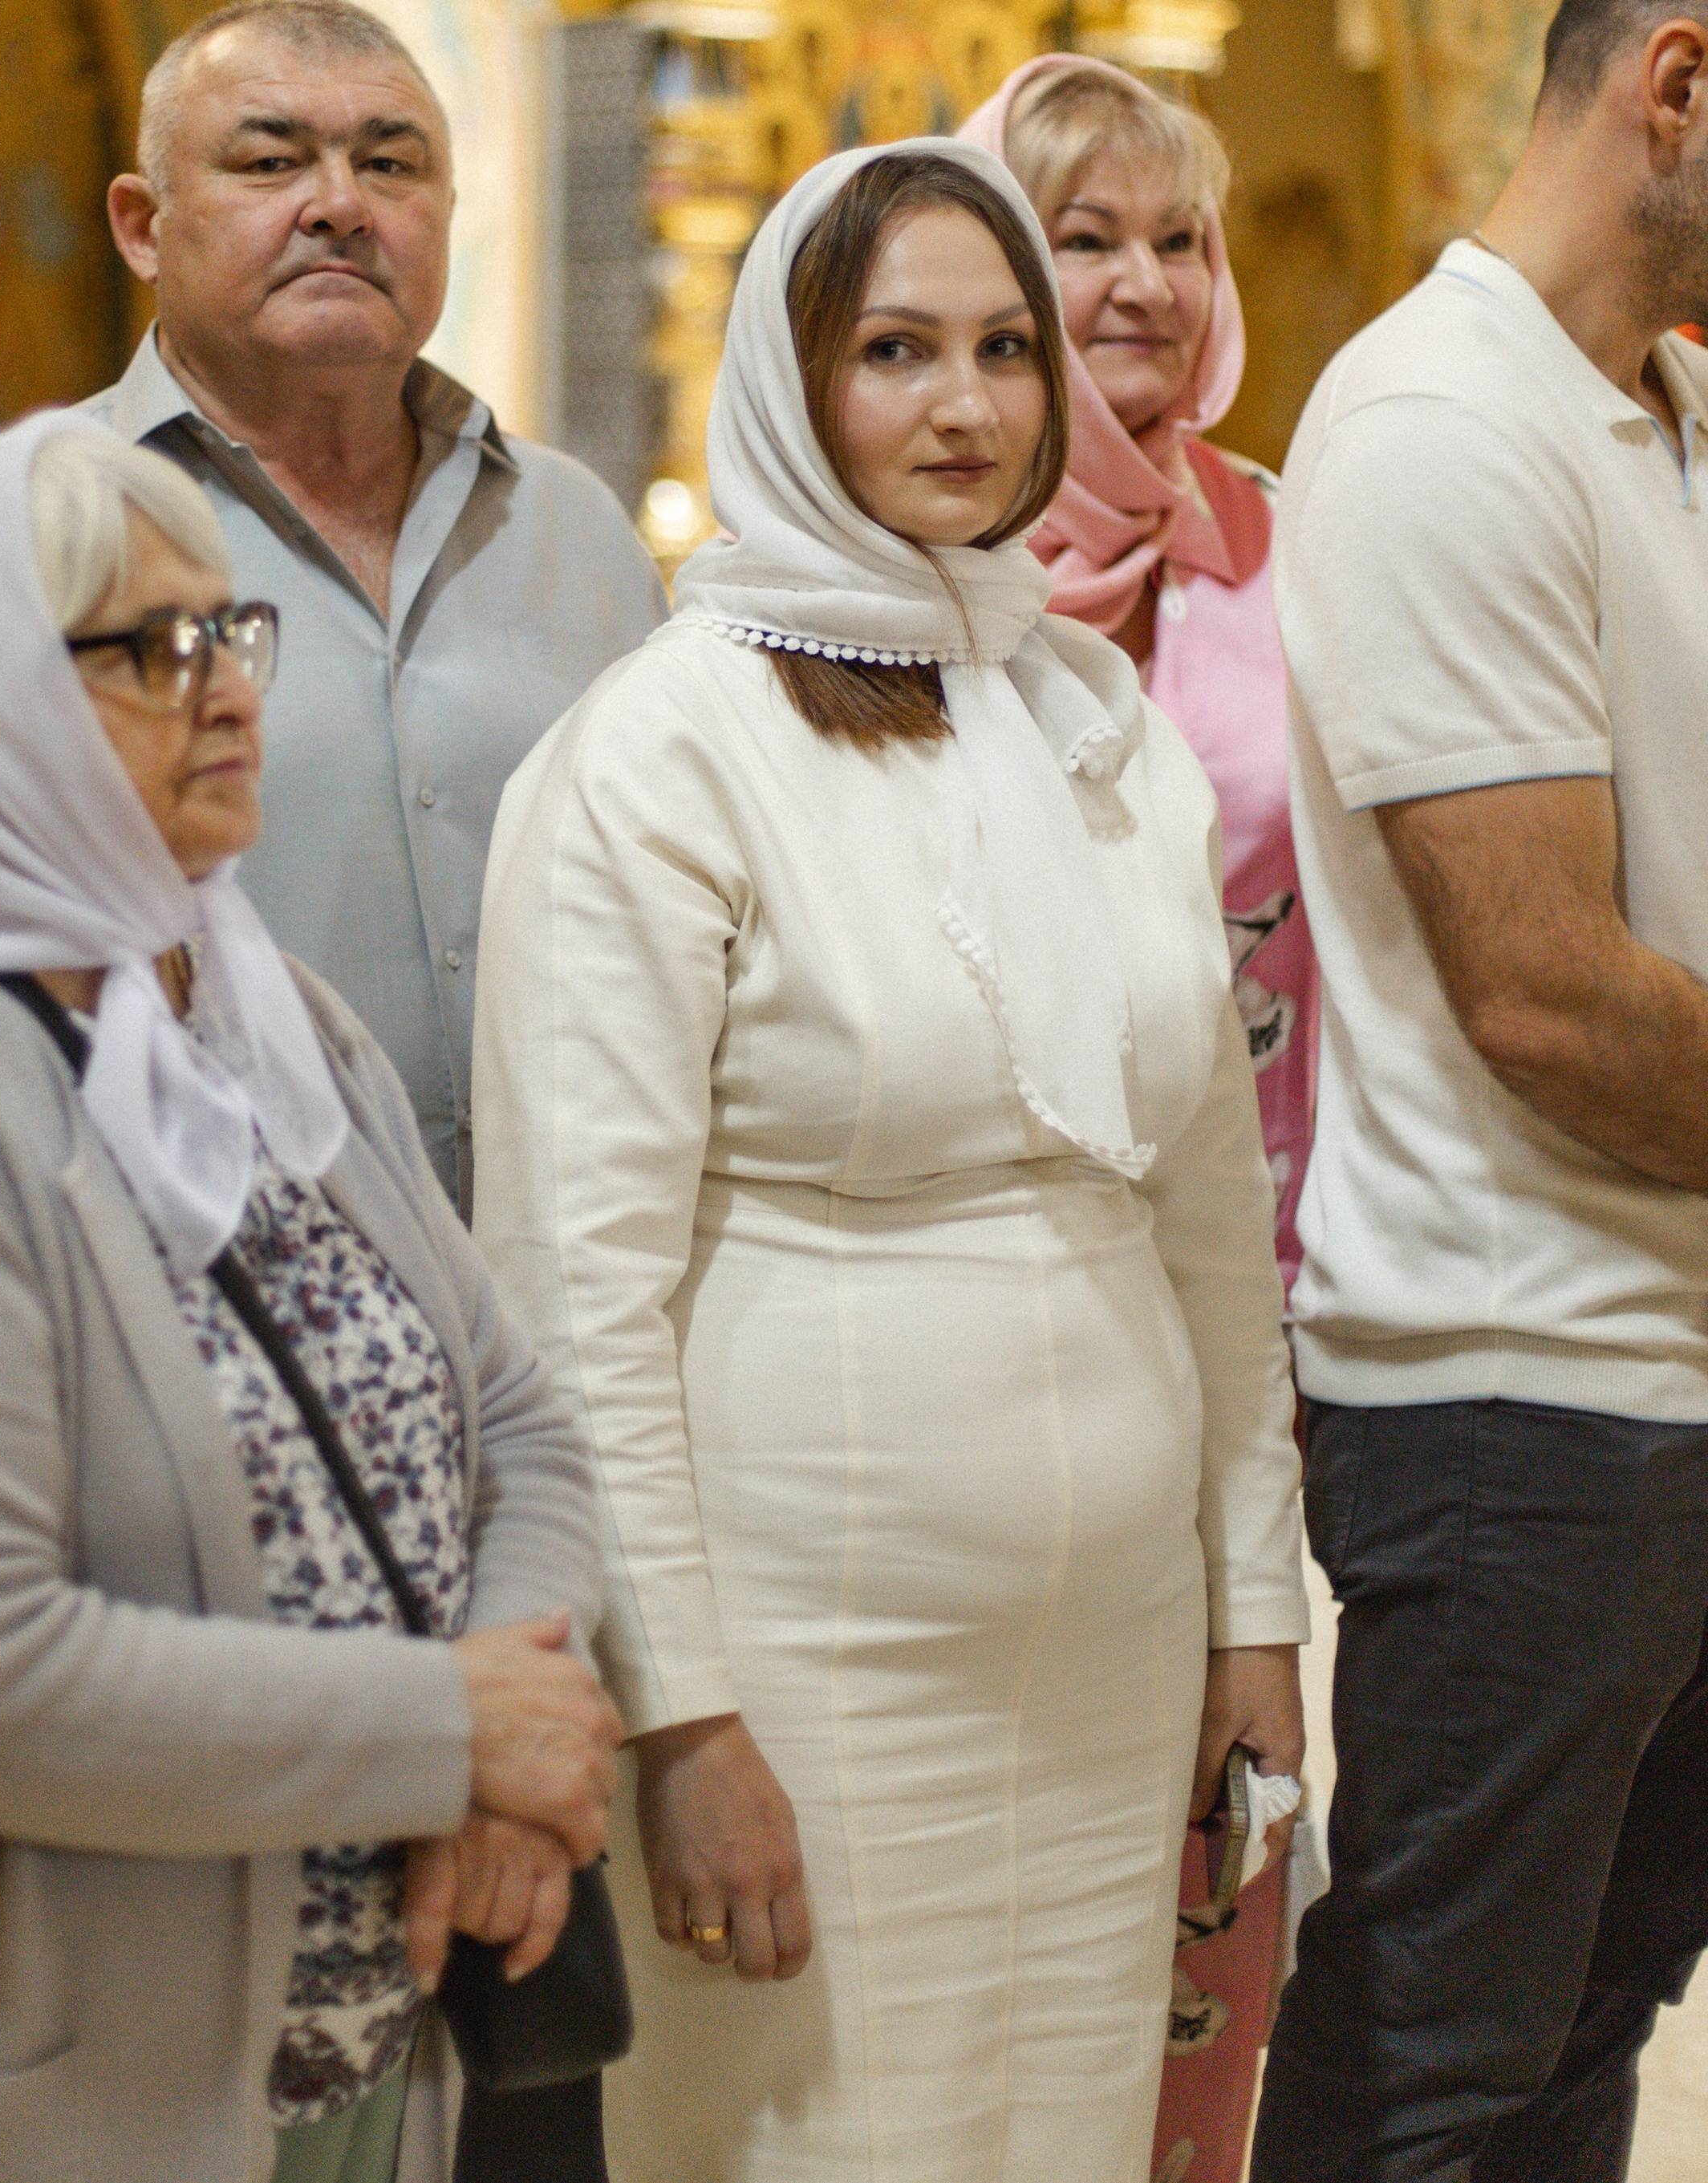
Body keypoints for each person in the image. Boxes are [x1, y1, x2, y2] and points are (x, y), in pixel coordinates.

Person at [471, 137, 1308, 2183]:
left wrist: (1251, 1610)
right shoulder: (664, 749)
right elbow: (575, 1289)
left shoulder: (1094, 727)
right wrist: (676, 1717)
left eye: (1005, 350)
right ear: (788, 378)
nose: (965, 405)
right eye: (894, 350)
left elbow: (1209, 1218)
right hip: (807, 1653)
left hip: (1111, 1649)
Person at [0, 417, 620, 2183]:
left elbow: (513, 1419)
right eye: (147, 645)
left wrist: (503, 1754)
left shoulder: (260, 1006)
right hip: (34, 2089)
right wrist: (448, 1733)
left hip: (355, 2039)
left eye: (229, 629)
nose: (228, 689)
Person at [1249, 0, 1708, 2182]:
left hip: (1667, 1366)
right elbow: (1541, 993)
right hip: (1517, 1396)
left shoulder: (1673, 412)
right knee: (1428, 2072)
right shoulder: (1438, 416)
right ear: (1678, 87)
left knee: (1581, 2039)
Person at [962, 58, 1318, 2181]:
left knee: (1217, 1856)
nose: (1146, 283)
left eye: (1180, 239)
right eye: (1083, 236)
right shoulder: (910, 569)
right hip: (993, 1335)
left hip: (1278, 1318)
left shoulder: (1289, 538)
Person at [87, 0, 666, 1219]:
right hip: (215, 1270)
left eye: (391, 164)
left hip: (573, 1264)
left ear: (450, 212)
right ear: (142, 225)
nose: (341, 205)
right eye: (271, 161)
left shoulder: (573, 530)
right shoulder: (47, 531)